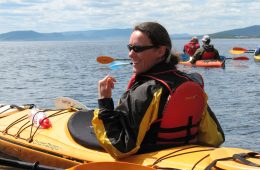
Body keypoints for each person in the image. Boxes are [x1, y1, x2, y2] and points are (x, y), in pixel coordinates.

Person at [92, 22, 225, 159]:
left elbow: (121, 147)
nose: (130, 54)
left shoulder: (146, 91)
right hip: (185, 157)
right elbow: (214, 138)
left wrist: (105, 102)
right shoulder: (191, 83)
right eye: (130, 47)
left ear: (160, 51)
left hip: (150, 159)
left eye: (137, 48)